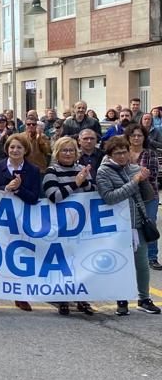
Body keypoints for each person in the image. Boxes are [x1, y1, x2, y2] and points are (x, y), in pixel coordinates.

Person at [97, 136, 159, 316]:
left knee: (141, 263)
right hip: (116, 224)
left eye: (124, 152)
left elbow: (148, 196)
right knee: (120, 264)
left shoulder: (135, 168)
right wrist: (135, 182)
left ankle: (144, 298)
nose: (122, 156)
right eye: (117, 153)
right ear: (110, 155)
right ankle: (121, 298)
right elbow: (110, 197)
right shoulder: (103, 172)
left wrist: (144, 179)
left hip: (137, 222)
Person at [0, 133, 40, 314]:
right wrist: (6, 189)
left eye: (19, 148)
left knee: (19, 257)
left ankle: (20, 296)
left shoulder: (33, 170)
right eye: (12, 147)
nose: (15, 150)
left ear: (25, 150)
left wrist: (19, 189)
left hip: (21, 221)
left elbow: (34, 198)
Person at [42, 136, 96, 316]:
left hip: (81, 225)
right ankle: (62, 298)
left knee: (80, 260)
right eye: (64, 150)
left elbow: (92, 192)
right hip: (61, 224)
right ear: (57, 153)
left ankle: (81, 298)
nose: (68, 153)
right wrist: (76, 183)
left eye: (71, 150)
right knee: (63, 261)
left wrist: (85, 181)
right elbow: (54, 196)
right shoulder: (52, 171)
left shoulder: (82, 169)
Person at [126, 124, 161, 270]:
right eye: (133, 135)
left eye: (139, 135)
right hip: (127, 195)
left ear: (144, 137)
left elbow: (152, 174)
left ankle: (152, 257)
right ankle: (129, 256)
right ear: (128, 137)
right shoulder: (122, 152)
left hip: (148, 195)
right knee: (129, 226)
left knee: (149, 223)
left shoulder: (150, 153)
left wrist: (134, 177)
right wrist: (139, 175)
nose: (136, 138)